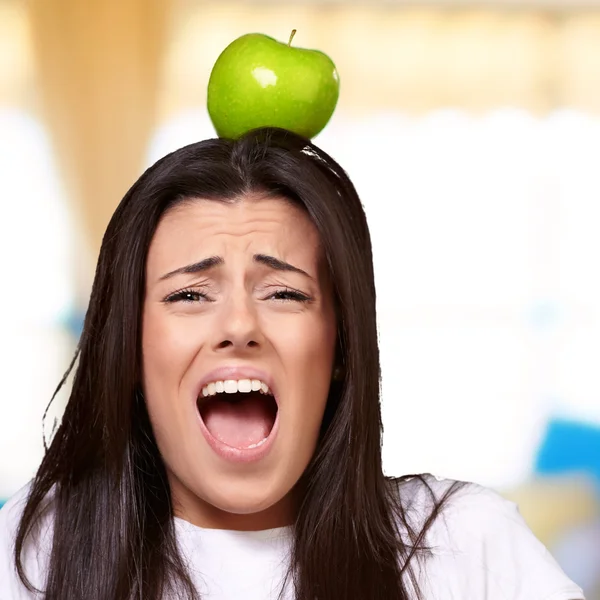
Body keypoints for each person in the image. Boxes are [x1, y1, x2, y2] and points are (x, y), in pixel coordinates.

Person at [0, 127, 585, 600]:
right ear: (128, 350)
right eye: (189, 294)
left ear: (341, 348)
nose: (238, 327)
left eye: (284, 293)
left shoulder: (465, 542)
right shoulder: (43, 546)